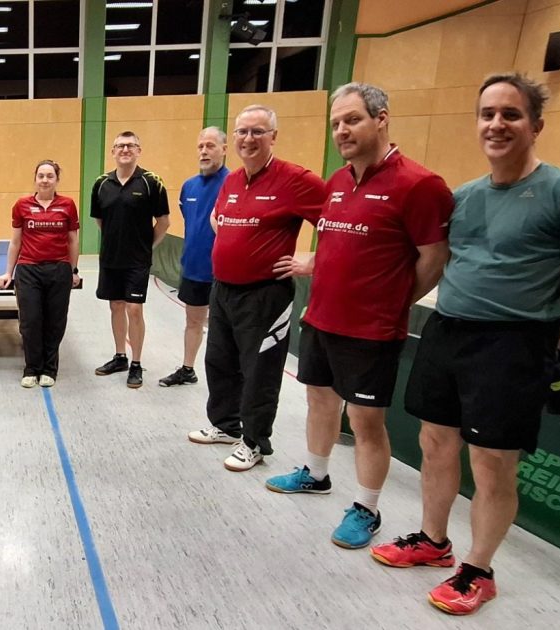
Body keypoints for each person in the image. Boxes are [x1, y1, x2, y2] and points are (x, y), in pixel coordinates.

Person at [370, 73, 560, 615]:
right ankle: (433, 542)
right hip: (448, 331)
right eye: (487, 114)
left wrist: (550, 338)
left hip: (515, 344)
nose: (496, 124)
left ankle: (478, 570)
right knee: (435, 442)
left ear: (536, 125)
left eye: (511, 114)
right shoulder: (463, 197)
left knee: (491, 463)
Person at [264, 84, 453, 550]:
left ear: (381, 118)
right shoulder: (337, 181)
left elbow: (434, 257)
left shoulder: (420, 184)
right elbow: (337, 242)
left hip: (372, 330)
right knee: (319, 402)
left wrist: (392, 302)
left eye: (352, 120)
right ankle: (316, 474)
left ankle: (367, 508)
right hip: (322, 319)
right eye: (336, 124)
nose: (342, 131)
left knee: (366, 422)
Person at [190, 105, 325, 472]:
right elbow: (220, 220)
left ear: (273, 137)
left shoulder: (296, 179)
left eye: (257, 131)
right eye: (242, 131)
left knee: (260, 370)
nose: (248, 139)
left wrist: (312, 262)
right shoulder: (232, 180)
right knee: (219, 361)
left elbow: (336, 223)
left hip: (266, 295)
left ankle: (254, 442)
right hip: (223, 290)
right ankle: (225, 425)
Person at [89, 131, 170, 388]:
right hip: (110, 258)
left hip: (137, 260)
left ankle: (136, 363)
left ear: (138, 151)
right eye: (120, 146)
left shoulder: (151, 182)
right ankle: (120, 357)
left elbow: (164, 222)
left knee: (134, 309)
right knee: (116, 306)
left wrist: (146, 247)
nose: (125, 150)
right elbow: (100, 220)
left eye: (130, 145)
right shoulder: (101, 183)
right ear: (113, 151)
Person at [0, 160, 82, 387]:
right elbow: (15, 241)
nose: (45, 180)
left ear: (57, 179)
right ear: (35, 178)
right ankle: (31, 368)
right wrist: (8, 272)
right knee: (30, 321)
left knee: (55, 322)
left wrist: (73, 270)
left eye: (50, 176)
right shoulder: (22, 205)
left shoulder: (68, 205)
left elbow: (72, 240)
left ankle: (50, 369)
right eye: (41, 175)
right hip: (28, 270)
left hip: (59, 270)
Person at [159, 127, 230, 387]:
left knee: (225, 330)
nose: (204, 151)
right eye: (201, 146)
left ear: (224, 149)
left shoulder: (233, 183)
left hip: (224, 272)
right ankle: (188, 369)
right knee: (193, 321)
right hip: (194, 268)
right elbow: (192, 222)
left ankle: (227, 380)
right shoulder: (188, 186)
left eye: (210, 146)